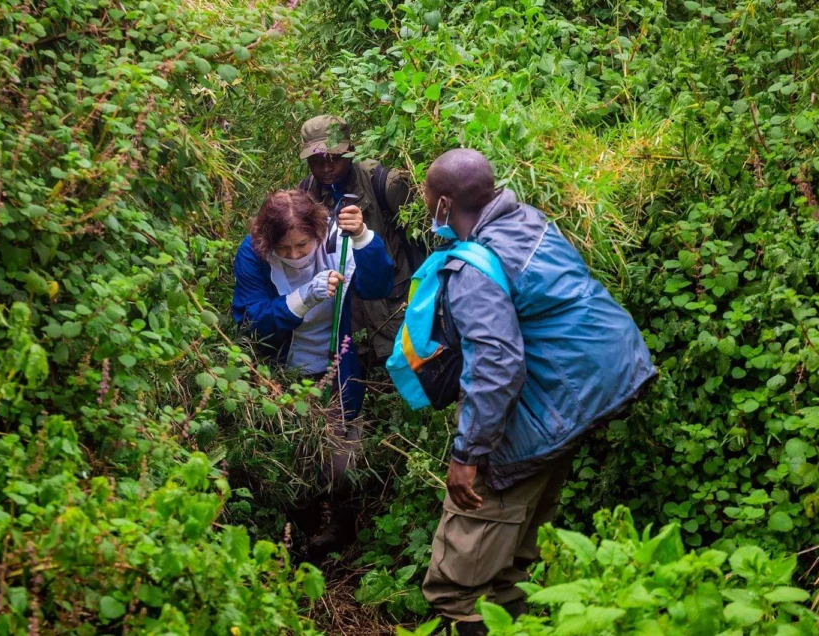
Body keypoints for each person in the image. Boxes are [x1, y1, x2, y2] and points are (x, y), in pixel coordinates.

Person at [418, 150, 657, 635]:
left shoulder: (473, 268)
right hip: (592, 387)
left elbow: (497, 366)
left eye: (427, 196)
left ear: (443, 204)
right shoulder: (528, 221)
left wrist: (468, 454)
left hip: (549, 402)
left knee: (457, 585)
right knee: (512, 557)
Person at [232, 189, 394, 551]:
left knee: (342, 459)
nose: (294, 255)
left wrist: (363, 237)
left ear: (317, 233)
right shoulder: (254, 253)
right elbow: (251, 322)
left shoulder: (338, 241)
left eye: (302, 245)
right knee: (290, 456)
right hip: (280, 372)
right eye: (284, 249)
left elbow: (378, 285)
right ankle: (297, 531)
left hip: (335, 366)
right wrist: (305, 296)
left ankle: (341, 530)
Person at [297, 115, 426, 369]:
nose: (326, 168)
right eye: (316, 160)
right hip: (345, 320)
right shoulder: (305, 195)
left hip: (396, 308)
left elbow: (424, 241)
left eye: (334, 157)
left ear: (350, 151)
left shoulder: (385, 183)